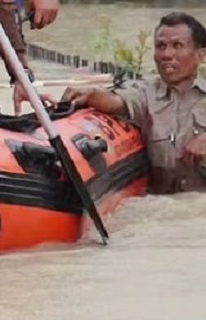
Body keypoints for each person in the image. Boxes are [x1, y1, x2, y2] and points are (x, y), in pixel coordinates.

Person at [62, 12, 206, 193]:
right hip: (163, 205)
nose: (167, 54)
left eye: (177, 46)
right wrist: (90, 94)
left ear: (200, 56)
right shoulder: (145, 94)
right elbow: (116, 102)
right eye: (161, 46)